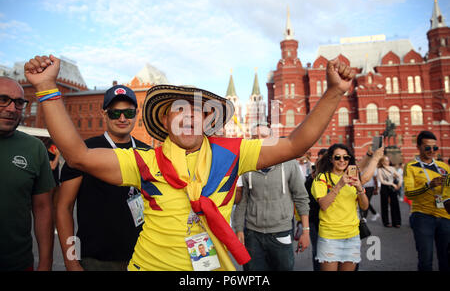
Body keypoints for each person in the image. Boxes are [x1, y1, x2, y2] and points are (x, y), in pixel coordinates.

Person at [23, 54, 355, 271]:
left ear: (209, 121)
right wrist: (47, 88)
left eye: (198, 110)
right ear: (166, 122)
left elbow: (296, 144)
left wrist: (334, 92)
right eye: (179, 110)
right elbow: (78, 155)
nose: (189, 117)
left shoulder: (233, 153)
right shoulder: (145, 161)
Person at [57, 85, 150, 271]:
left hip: (144, 257)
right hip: (96, 261)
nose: (122, 118)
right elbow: (64, 208)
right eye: (115, 113)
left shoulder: (148, 152)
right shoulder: (84, 152)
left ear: (136, 114)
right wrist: (70, 260)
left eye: (128, 113)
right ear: (104, 114)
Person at [233, 123, 310, 271]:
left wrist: (305, 231)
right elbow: (243, 201)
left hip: (281, 232)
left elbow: (301, 197)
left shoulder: (289, 163)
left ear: (272, 139)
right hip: (252, 234)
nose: (259, 140)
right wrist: (239, 229)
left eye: (263, 136)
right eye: (255, 137)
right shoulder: (246, 164)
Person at [0, 76, 55, 271]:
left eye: (19, 102)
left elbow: (43, 209)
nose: (11, 108)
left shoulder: (34, 148)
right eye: (3, 99)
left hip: (18, 264)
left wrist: (46, 263)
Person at [311, 143, 369, 271]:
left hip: (352, 235)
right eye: (337, 157)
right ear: (331, 159)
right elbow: (324, 205)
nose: (342, 160)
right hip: (330, 237)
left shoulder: (354, 178)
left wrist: (360, 188)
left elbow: (364, 206)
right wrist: (340, 184)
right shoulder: (322, 178)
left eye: (345, 157)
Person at [404, 130, 450, 271]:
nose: (432, 151)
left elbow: (448, 193)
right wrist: (428, 185)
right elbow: (409, 194)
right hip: (423, 217)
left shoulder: (444, 167)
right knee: (425, 260)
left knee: (446, 260)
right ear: (418, 147)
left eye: (434, 148)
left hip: (445, 217)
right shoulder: (411, 167)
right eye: (427, 147)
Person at [377, 155, 402, 228]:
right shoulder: (380, 169)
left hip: (392, 187)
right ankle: (386, 222)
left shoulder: (392, 168)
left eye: (388, 160)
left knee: (395, 204)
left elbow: (399, 176)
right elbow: (381, 181)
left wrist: (400, 183)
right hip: (385, 187)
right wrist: (392, 184)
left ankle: (397, 222)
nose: (387, 162)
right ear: (382, 162)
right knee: (384, 205)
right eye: (386, 160)